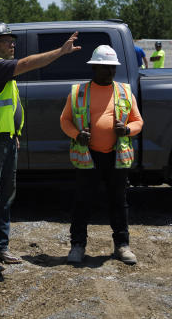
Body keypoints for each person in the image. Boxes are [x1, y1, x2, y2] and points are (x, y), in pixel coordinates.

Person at [0, 22, 80, 275]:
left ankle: (0, 248)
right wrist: (60, 52)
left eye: (12, 40)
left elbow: (9, 105)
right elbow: (29, 62)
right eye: (7, 40)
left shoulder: (1, 69)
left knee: (5, 195)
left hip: (5, 138)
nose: (12, 44)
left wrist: (14, 133)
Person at [59, 44, 143, 265]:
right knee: (82, 201)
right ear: (94, 67)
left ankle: (122, 245)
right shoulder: (78, 92)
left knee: (118, 201)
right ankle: (77, 246)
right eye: (105, 68)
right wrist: (77, 135)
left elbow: (138, 121)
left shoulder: (124, 91)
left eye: (113, 68)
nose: (110, 72)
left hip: (116, 156)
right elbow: (64, 120)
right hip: (88, 156)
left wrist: (126, 130)